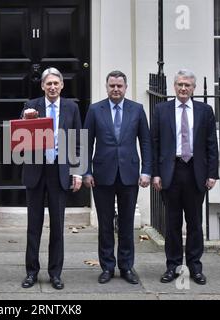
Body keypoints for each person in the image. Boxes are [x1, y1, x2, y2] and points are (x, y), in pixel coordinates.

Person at [83, 70, 152, 285]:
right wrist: (86, 171)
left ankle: (126, 266)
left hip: (130, 174)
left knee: (126, 223)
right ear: (106, 87)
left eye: (119, 86)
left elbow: (146, 142)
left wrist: (146, 170)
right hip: (102, 174)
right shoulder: (95, 110)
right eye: (112, 86)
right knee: (105, 224)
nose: (115, 89)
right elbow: (86, 142)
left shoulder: (137, 110)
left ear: (125, 87)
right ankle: (107, 267)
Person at [151, 69, 218, 285]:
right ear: (174, 86)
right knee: (171, 224)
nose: (183, 88)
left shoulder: (205, 111)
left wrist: (212, 174)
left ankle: (195, 268)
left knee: (195, 223)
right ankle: (172, 267)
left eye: (187, 85)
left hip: (195, 173)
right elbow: (155, 144)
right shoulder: (161, 110)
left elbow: (211, 144)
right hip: (171, 171)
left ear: (193, 88)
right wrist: (155, 174)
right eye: (180, 84)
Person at [20, 67, 82, 290]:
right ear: (42, 86)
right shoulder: (31, 106)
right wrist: (27, 121)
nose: (53, 87)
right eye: (49, 84)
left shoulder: (71, 107)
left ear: (62, 85)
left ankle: (55, 273)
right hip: (36, 171)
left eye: (56, 83)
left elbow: (76, 141)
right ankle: (31, 272)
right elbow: (19, 138)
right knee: (33, 224)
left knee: (57, 224)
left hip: (59, 171)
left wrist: (77, 171)